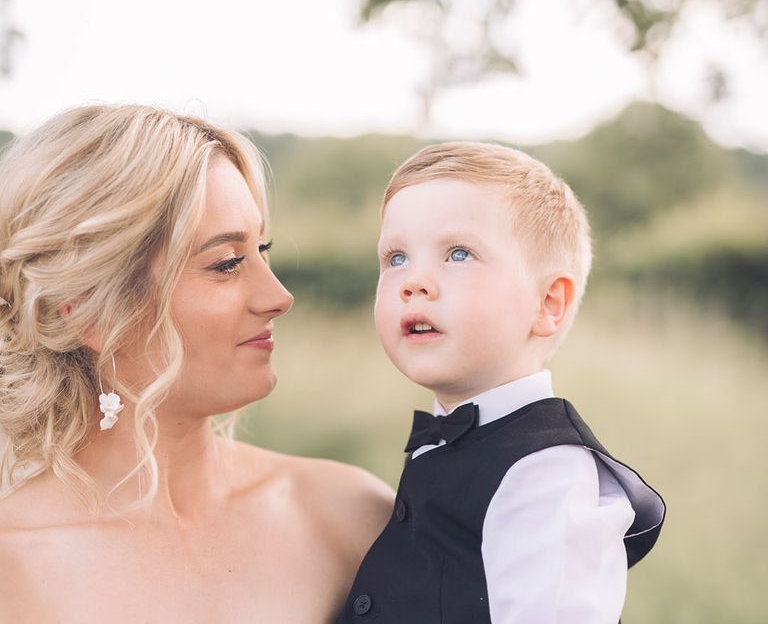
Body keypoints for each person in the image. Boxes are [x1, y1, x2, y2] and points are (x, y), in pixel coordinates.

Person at [0, 104, 394, 624]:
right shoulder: (14, 568)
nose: (278, 296)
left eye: (263, 250)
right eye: (226, 263)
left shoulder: (350, 514)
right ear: (88, 310)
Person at [337, 142, 666, 623]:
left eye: (458, 253)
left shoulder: (547, 475)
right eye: (396, 259)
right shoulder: (451, 437)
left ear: (548, 304)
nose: (414, 282)